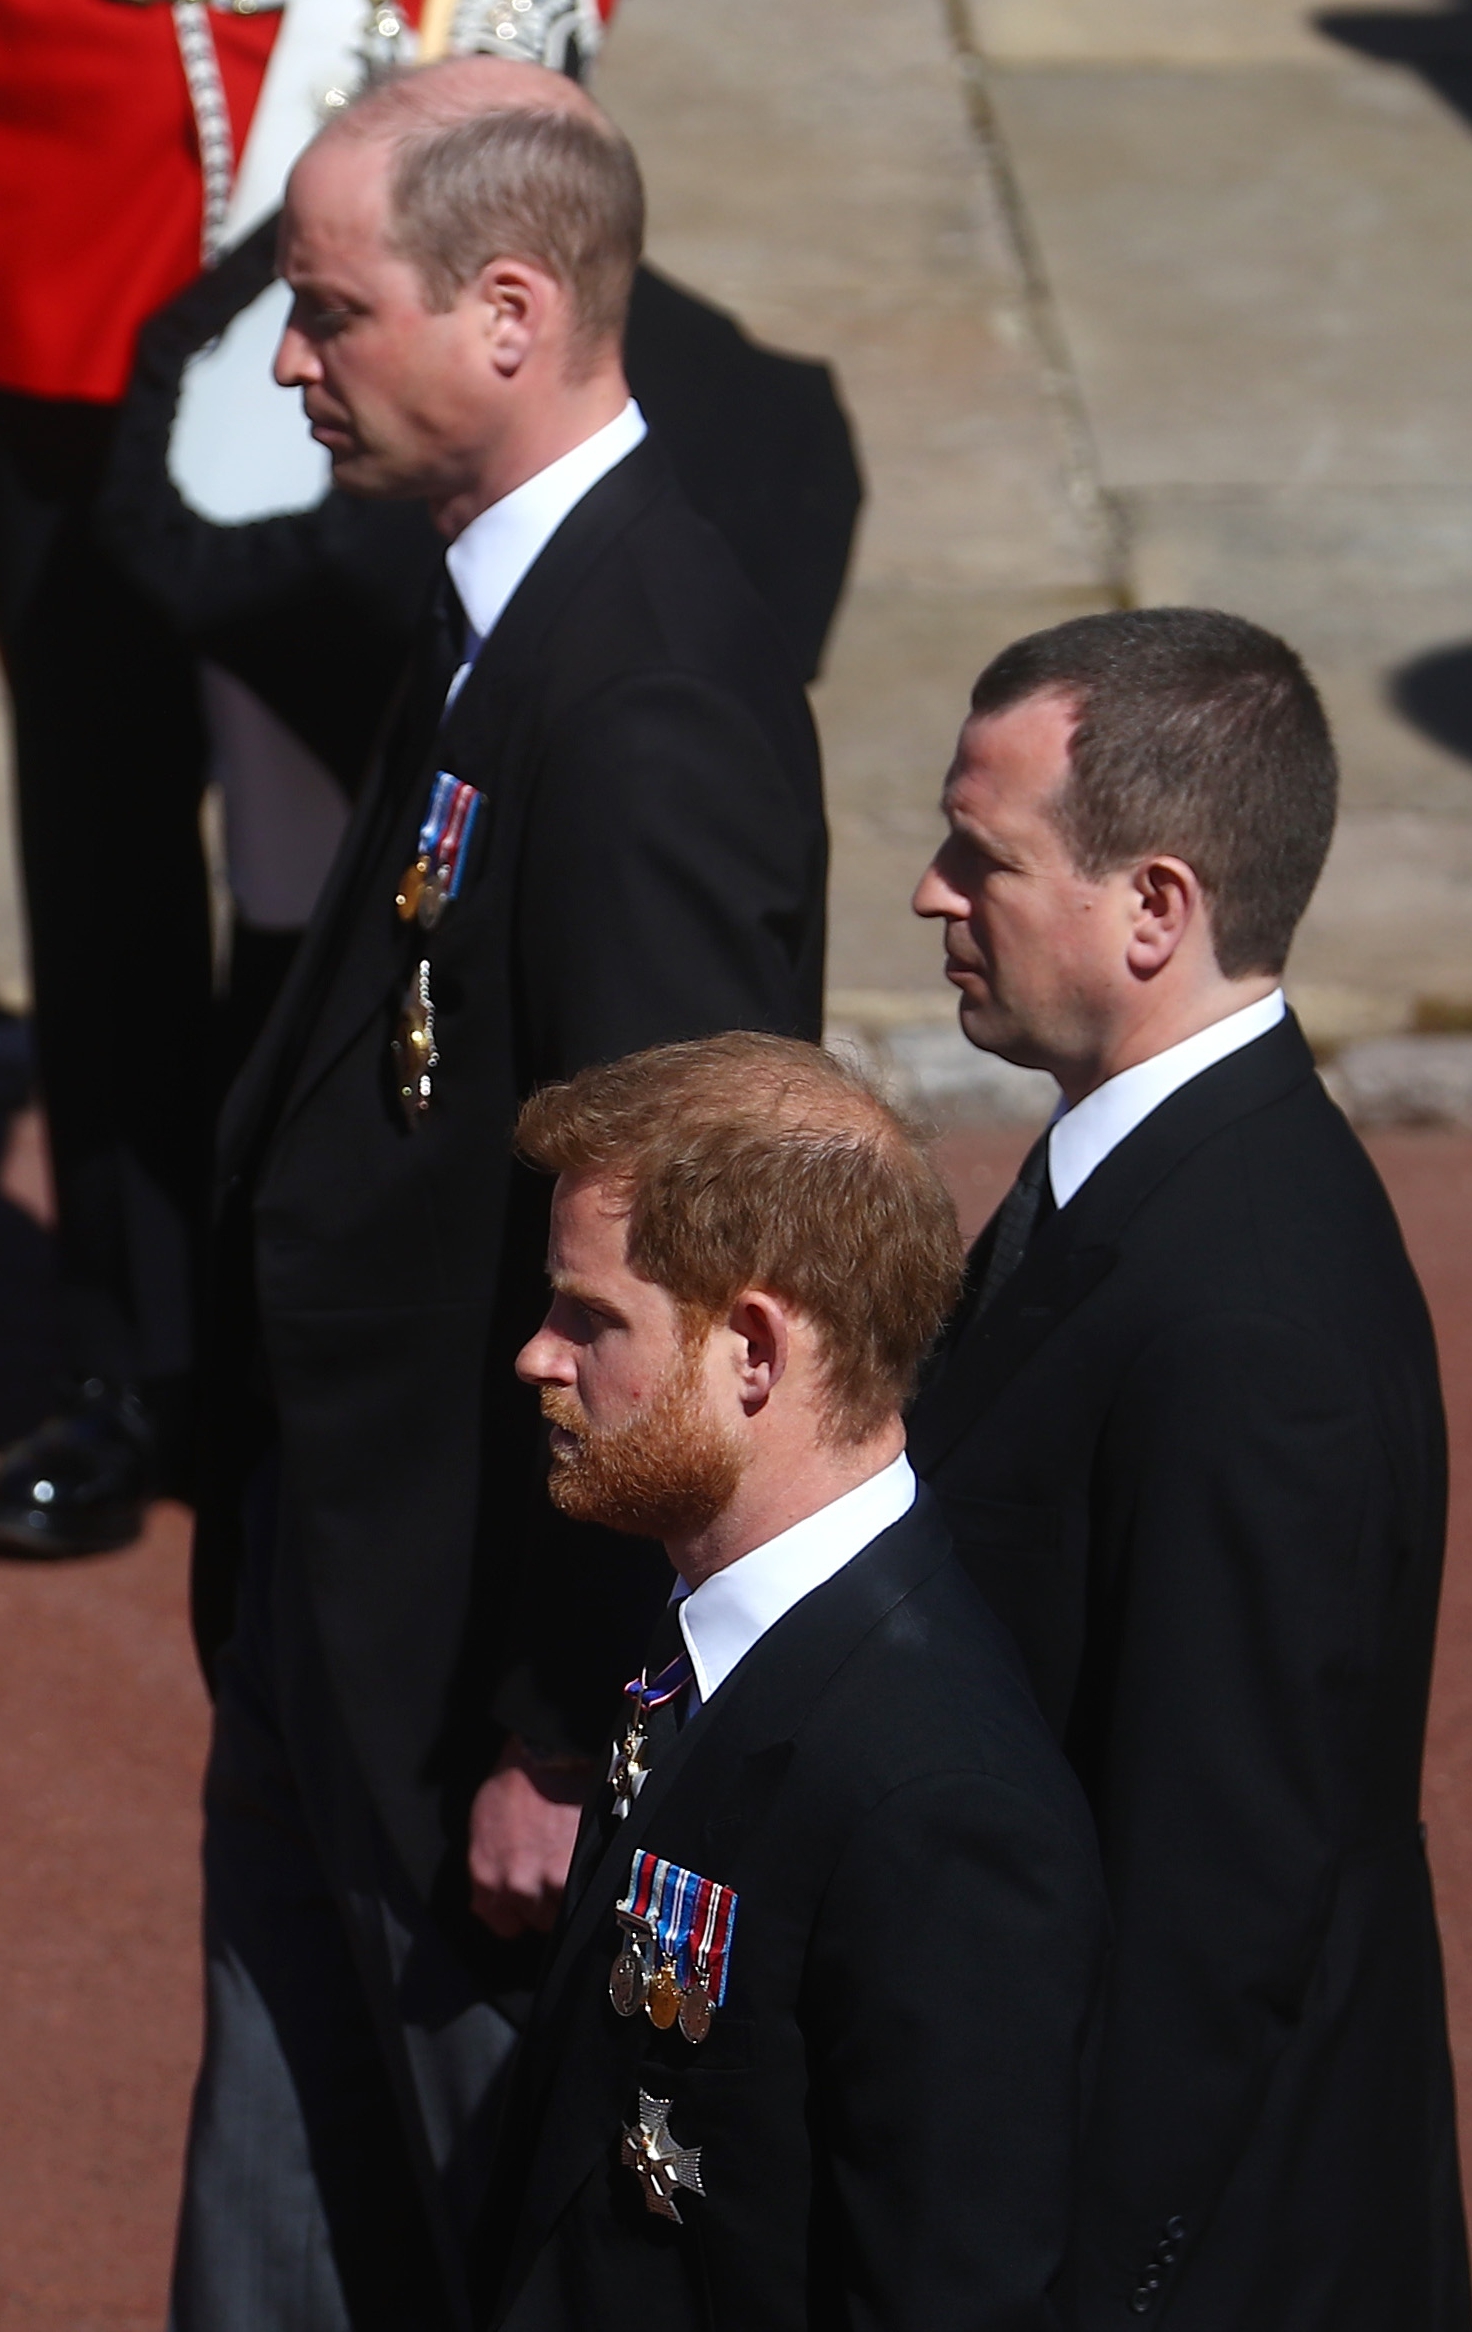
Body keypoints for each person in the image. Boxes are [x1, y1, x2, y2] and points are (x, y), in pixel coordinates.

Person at [171, 61, 827, 2332]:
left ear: (512, 314)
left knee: (472, 2247)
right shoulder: (493, 612)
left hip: (474, 1690)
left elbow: (688, 1236)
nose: (290, 361)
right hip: (338, 1617)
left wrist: (563, 1722)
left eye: (333, 316)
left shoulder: (641, 696)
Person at [907, 607, 1470, 2330]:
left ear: (1156, 907)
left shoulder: (1253, 1322)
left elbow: (1219, 1893)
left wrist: (1085, 2284)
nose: (934, 891)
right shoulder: (1141, 1175)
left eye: (981, 856)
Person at [483, 1030, 1107, 2330]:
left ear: (755, 1351)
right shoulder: (712, 1638)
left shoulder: (937, 1801)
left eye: (590, 1318)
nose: (539, 1358)